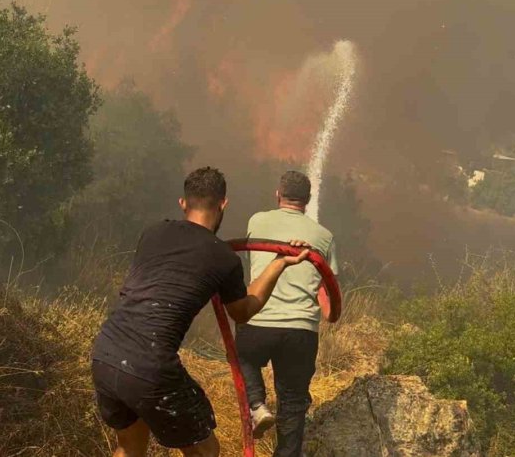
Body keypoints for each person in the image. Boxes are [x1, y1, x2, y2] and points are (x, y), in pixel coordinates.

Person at [91, 166, 311, 457]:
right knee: (206, 451)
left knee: (129, 447)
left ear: (183, 203)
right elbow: (243, 312)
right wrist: (278, 264)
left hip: (105, 354)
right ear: (223, 204)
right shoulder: (222, 257)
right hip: (150, 363)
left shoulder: (152, 233)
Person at [235, 170, 338, 457]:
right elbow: (328, 287)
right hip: (301, 330)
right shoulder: (325, 237)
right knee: (292, 402)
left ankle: (257, 405)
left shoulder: (257, 221)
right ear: (308, 200)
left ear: (278, 195)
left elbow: (253, 261)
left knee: (242, 354)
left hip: (258, 319)